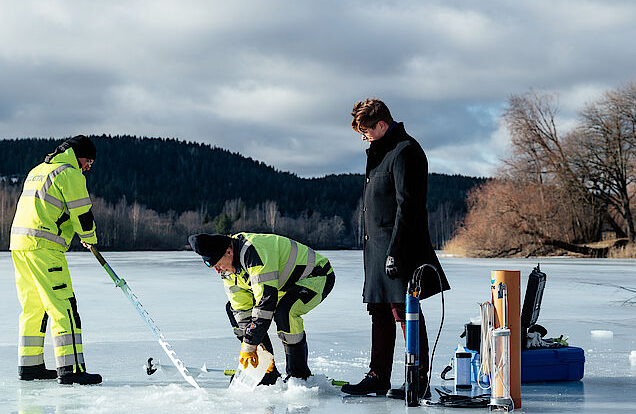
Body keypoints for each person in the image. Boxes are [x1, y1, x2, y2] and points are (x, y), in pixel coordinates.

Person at [341, 99, 450, 398]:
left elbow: (409, 206)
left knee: (405, 311)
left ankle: (419, 378)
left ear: (381, 124)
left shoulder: (405, 151)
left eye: (366, 131)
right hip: (376, 248)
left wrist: (396, 251)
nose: (363, 137)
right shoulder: (381, 152)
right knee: (379, 311)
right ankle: (378, 376)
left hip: (399, 247)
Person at [10, 135, 102, 385]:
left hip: (20, 246)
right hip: (44, 247)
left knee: (33, 308)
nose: (88, 167)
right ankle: (71, 369)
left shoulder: (38, 171)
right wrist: (89, 239)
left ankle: (30, 367)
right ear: (78, 155)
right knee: (64, 306)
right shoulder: (69, 174)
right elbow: (81, 213)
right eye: (89, 161)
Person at [188, 232, 335, 383]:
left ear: (229, 251)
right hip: (282, 285)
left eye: (217, 264)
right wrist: (255, 348)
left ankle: (299, 375)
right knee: (233, 311)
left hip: (316, 276)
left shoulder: (254, 253)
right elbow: (242, 310)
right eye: (212, 266)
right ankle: (266, 371)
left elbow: (265, 304)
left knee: (286, 312)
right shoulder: (228, 270)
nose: (217, 270)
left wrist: (249, 346)